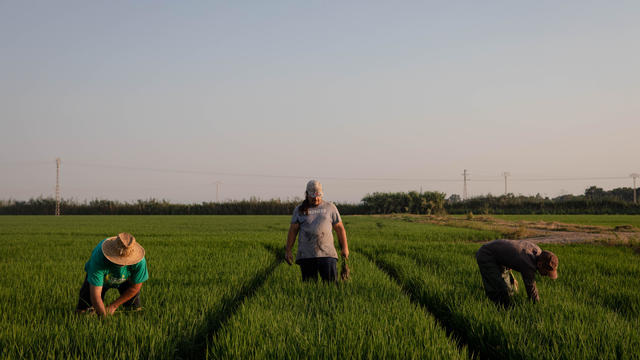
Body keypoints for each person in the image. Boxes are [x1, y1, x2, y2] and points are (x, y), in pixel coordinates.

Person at [285, 180, 349, 281]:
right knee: (310, 289)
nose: (316, 198)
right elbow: (293, 231)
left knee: (331, 287)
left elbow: (340, 229)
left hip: (327, 254)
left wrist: (345, 248)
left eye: (318, 195)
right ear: (306, 194)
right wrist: (288, 250)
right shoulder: (299, 210)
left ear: (321, 194)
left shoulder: (330, 207)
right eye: (313, 196)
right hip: (306, 255)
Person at [76, 232, 149, 316]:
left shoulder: (139, 261)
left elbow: (135, 287)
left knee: (134, 311)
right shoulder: (99, 257)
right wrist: (105, 318)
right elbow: (95, 295)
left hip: (126, 279)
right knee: (83, 313)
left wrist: (113, 306)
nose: (123, 264)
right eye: (118, 260)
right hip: (102, 280)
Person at [476, 239, 558, 307]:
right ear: (540, 264)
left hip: (498, 256)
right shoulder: (528, 264)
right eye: (546, 272)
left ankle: (506, 306)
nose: (545, 275)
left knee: (509, 290)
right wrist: (537, 306)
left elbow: (514, 255)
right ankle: (496, 309)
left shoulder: (539, 252)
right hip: (486, 255)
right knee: (498, 288)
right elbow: (531, 289)